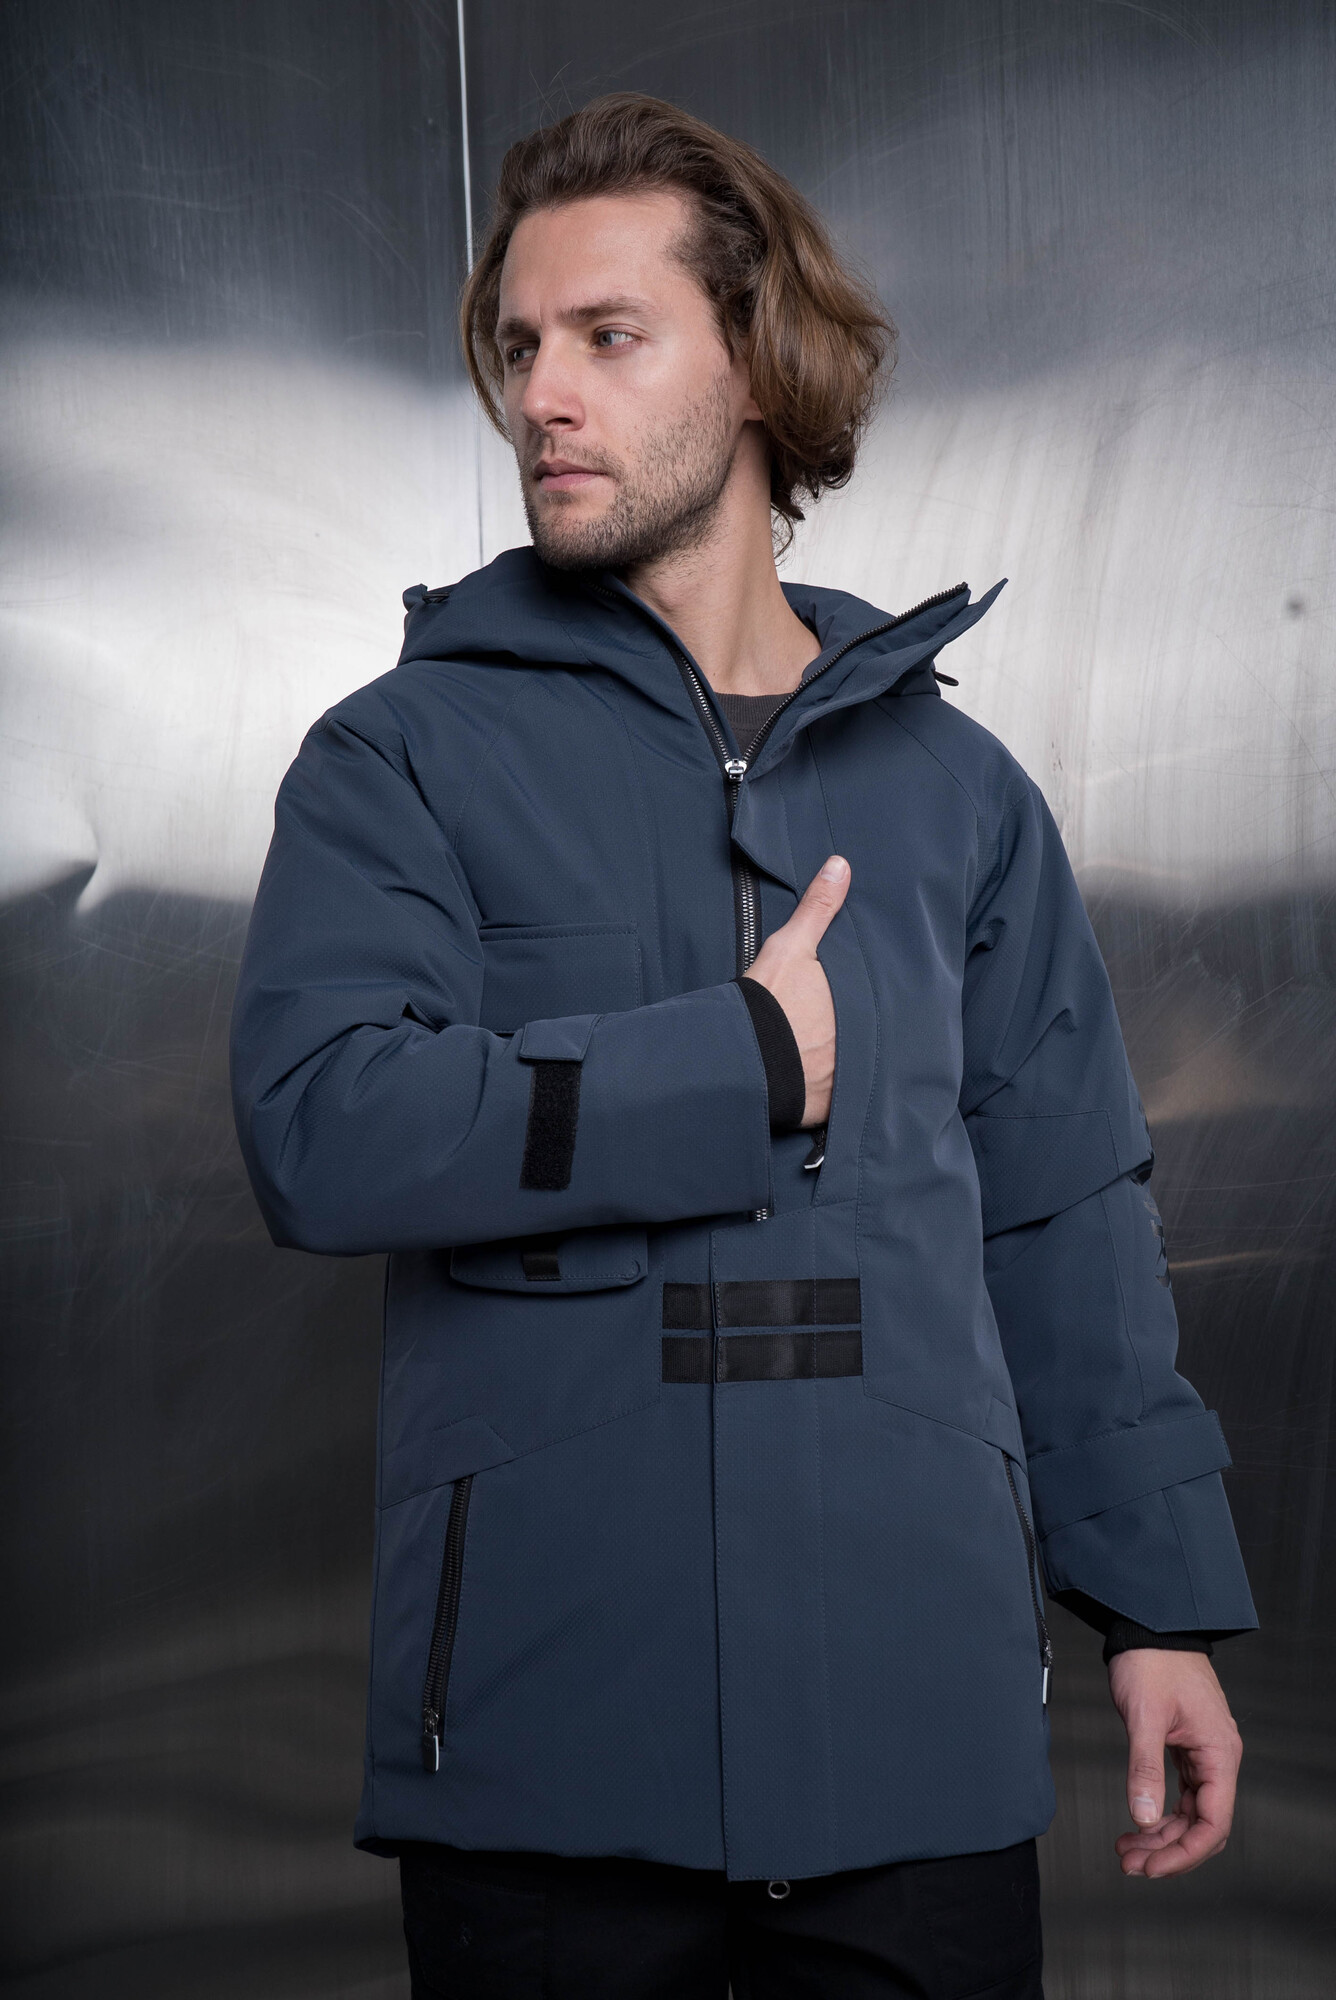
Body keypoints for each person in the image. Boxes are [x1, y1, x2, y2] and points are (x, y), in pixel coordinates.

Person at [229, 93, 1257, 1999]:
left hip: (917, 1762)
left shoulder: (962, 794)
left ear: (760, 365)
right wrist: (738, 1068)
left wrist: (1159, 1607)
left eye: (609, 337)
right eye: (520, 346)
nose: (543, 395)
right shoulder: (399, 758)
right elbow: (323, 1124)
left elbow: (1063, 1214)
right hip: (546, 1777)